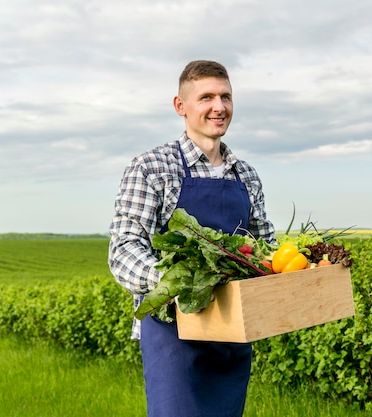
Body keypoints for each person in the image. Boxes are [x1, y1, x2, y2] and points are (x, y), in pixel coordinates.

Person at [108, 60, 276, 416]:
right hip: (175, 332)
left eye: (226, 97)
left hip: (231, 333)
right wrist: (183, 284)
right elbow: (124, 249)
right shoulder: (152, 167)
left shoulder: (246, 174)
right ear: (180, 106)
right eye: (207, 97)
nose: (219, 107)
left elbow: (264, 249)